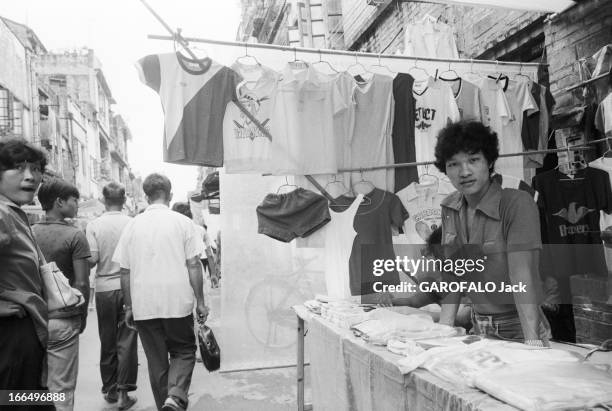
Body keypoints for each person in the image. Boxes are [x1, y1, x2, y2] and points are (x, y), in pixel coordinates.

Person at [433, 120, 551, 346]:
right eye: (453, 164)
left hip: (519, 326)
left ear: (489, 161)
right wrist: (443, 332)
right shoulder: (450, 207)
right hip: (479, 328)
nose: (464, 172)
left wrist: (532, 343)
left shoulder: (516, 204)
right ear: (445, 169)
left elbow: (522, 275)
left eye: (473, 160)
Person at [113, 174, 209, 411]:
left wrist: (128, 306)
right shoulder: (183, 223)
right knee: (184, 351)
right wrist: (201, 301)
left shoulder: (132, 225)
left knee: (156, 362)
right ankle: (175, 397)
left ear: (146, 197)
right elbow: (194, 264)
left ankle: (165, 404)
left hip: (144, 302)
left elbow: (125, 271)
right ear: (170, 194)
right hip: (177, 300)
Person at [0, 138, 54, 408]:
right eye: (18, 168)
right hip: (11, 333)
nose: (30, 176)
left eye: (35, 169)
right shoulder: (2, 213)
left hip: (26, 328)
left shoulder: (13, 212)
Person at [33, 177, 91, 410]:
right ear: (59, 202)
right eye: (74, 199)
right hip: (63, 320)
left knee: (37, 386)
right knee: (62, 388)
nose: (77, 204)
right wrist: (83, 315)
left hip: (32, 320)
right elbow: (82, 282)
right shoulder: (75, 236)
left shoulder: (28, 232)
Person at [86, 182, 138, 409]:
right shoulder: (132, 223)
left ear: (103, 200)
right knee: (127, 341)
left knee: (107, 340)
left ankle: (109, 390)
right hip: (129, 289)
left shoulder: (94, 225)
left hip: (105, 290)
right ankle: (124, 395)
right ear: (125, 199)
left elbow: (92, 260)